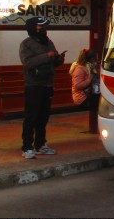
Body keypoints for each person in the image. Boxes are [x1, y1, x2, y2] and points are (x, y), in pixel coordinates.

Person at [19, 16, 66, 159]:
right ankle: (27, 147)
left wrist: (58, 59)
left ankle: (40, 145)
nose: (43, 29)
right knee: (31, 117)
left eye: (44, 27)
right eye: (41, 27)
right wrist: (47, 56)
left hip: (48, 84)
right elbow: (27, 63)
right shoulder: (26, 44)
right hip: (33, 86)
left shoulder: (48, 42)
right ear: (33, 28)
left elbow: (53, 60)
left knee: (43, 117)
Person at [69, 48, 100, 134]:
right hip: (81, 98)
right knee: (103, 103)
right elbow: (77, 85)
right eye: (96, 58)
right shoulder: (80, 69)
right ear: (92, 59)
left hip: (88, 95)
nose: (98, 60)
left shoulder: (89, 68)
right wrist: (89, 80)